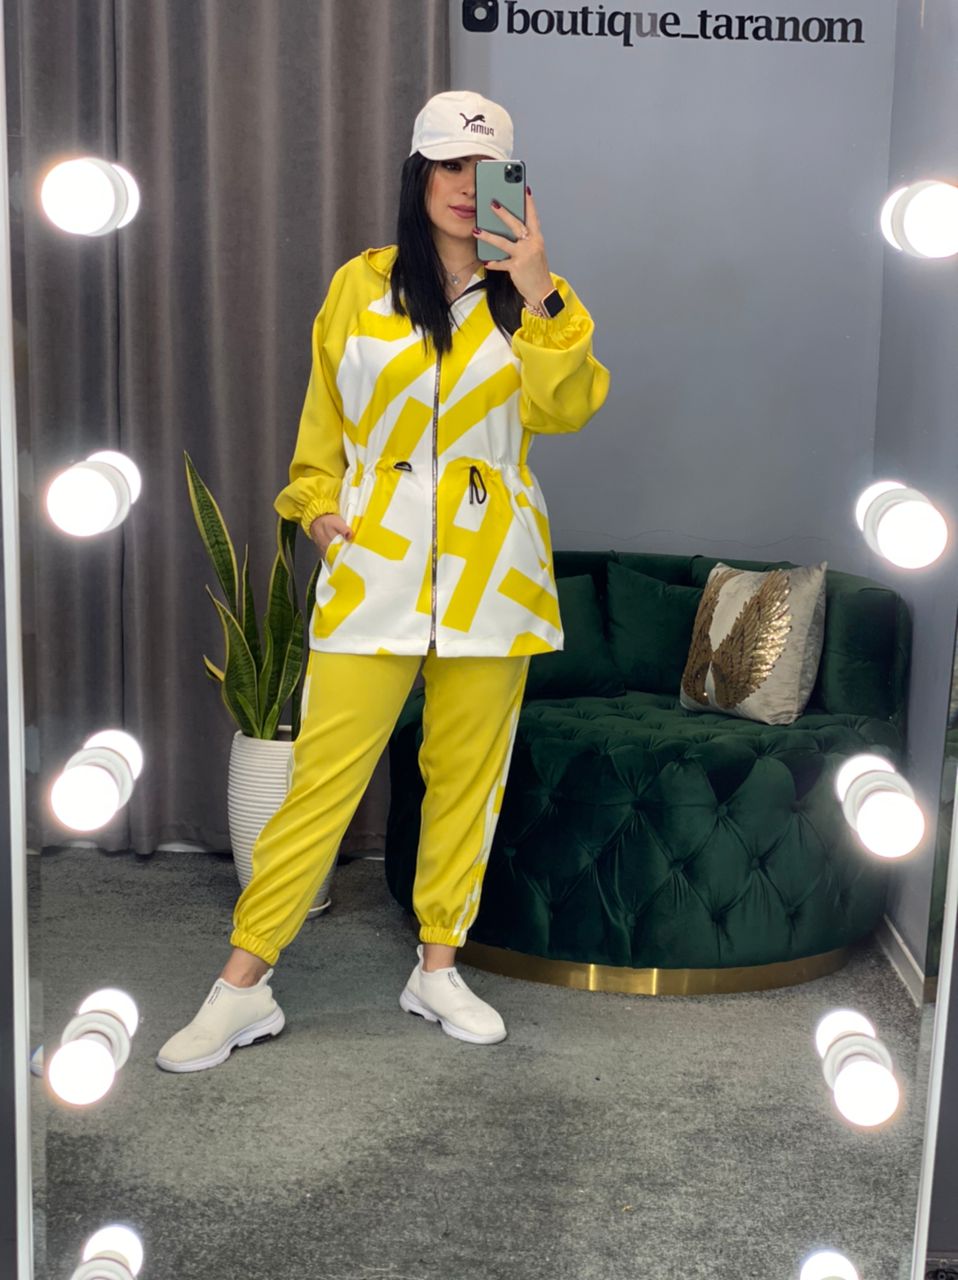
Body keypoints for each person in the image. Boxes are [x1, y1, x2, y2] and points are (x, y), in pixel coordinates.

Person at [156, 89, 610, 1073]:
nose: (465, 186)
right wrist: (317, 501)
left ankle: (437, 966)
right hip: (376, 567)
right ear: (419, 174)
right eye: (448, 165)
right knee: (321, 781)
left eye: (485, 169)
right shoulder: (361, 286)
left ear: (511, 183)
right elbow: (324, 416)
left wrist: (537, 291)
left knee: (468, 779)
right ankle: (242, 984)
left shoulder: (539, 297)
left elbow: (567, 409)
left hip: (493, 577)